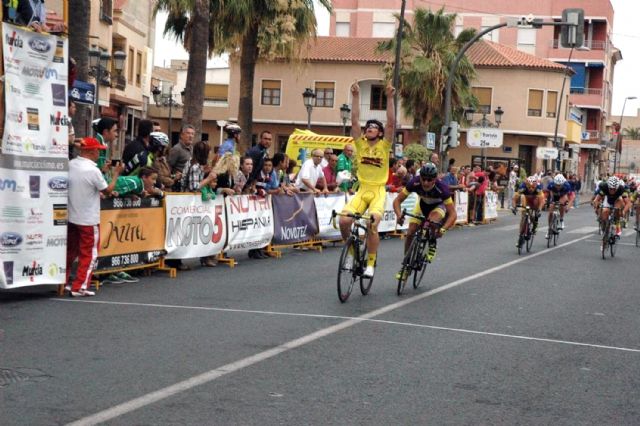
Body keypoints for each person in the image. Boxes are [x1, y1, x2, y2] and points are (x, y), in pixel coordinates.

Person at [339, 81, 395, 278]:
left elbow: (391, 123)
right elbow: (354, 122)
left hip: (378, 191)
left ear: (379, 133)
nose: (369, 128)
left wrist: (389, 98)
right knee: (344, 221)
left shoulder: (385, 145)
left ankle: (370, 263)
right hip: (362, 190)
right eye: (368, 126)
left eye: (373, 127)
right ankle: (352, 254)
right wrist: (355, 97)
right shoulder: (360, 144)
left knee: (372, 224)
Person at [66, 138, 122, 297]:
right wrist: (116, 174)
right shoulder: (92, 170)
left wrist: (103, 171)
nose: (99, 153)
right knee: (89, 254)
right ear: (90, 151)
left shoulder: (71, 164)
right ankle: (79, 286)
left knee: (70, 252)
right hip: (88, 219)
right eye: (97, 150)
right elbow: (107, 190)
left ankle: (65, 282)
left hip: (72, 216)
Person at [392, 163, 457, 280]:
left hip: (438, 206)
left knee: (432, 221)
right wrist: (399, 215)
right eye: (424, 179)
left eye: (429, 180)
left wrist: (443, 229)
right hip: (422, 205)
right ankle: (406, 263)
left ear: (435, 179)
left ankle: (432, 242)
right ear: (420, 177)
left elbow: (453, 214)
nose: (426, 182)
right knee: (411, 232)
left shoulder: (442, 188)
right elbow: (397, 201)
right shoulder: (414, 182)